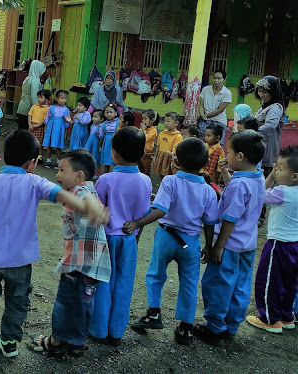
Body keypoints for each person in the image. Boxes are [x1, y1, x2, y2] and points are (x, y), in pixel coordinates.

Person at [0, 130, 109, 361]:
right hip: (22, 261)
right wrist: (88, 207)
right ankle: (9, 343)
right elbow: (62, 195)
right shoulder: (34, 182)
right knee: (17, 302)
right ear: (33, 163)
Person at [124, 138, 218, 345]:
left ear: (177, 161)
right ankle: (185, 327)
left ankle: (154, 313)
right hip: (191, 241)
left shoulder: (171, 181)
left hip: (167, 236)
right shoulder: (209, 191)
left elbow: (161, 210)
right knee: (189, 284)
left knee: (156, 275)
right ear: (205, 162)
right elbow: (210, 223)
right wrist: (209, 246)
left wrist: (138, 222)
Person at [32, 149, 111, 358]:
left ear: (79, 177)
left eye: (62, 170)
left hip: (78, 263)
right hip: (92, 264)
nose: (57, 175)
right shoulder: (86, 189)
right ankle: (77, 343)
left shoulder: (80, 191)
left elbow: (86, 201)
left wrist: (94, 207)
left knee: (65, 302)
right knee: (84, 304)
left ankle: (55, 341)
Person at [193, 130, 266, 347]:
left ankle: (215, 327)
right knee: (240, 286)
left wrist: (218, 246)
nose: (227, 155)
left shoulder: (239, 184)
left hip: (229, 245)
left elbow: (230, 218)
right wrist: (226, 172)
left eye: (230, 152)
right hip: (247, 244)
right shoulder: (258, 176)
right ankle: (231, 326)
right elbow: (236, 194)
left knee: (218, 285)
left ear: (241, 156)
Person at [90, 127, 152, 347]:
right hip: (128, 239)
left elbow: (97, 212)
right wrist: (135, 235)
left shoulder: (105, 179)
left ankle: (98, 330)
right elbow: (143, 215)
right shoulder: (145, 181)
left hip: (106, 238)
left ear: (113, 152)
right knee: (124, 284)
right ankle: (116, 332)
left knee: (103, 283)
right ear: (142, 152)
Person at [246, 145, 298, 333]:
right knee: (289, 282)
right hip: (295, 245)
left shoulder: (282, 192)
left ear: (295, 176)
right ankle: (286, 316)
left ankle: (269, 318)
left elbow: (260, 194)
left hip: (278, 244)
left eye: (280, 169)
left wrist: (268, 176)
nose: (276, 172)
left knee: (268, 281)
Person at [254, 76, 285, 226]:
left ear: (273, 92)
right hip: (259, 147)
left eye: (264, 92)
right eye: (259, 91)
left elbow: (270, 125)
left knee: (264, 183)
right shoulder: (264, 106)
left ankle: (260, 216)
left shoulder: (275, 107)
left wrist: (251, 132)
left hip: (267, 149)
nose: (261, 94)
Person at [198, 69, 231, 143]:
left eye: (219, 78)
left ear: (224, 80)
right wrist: (202, 115)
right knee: (200, 142)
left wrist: (203, 116)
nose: (216, 80)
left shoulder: (227, 93)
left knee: (219, 143)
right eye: (215, 78)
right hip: (205, 120)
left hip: (219, 120)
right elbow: (201, 105)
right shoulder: (205, 89)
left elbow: (219, 110)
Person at [43, 90, 71, 169]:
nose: (63, 100)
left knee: (58, 146)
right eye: (61, 98)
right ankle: (48, 160)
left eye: (65, 99)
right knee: (49, 145)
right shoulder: (51, 108)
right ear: (56, 98)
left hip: (60, 129)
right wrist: (46, 126)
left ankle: (58, 162)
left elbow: (66, 123)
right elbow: (47, 117)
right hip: (51, 128)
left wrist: (65, 133)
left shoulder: (66, 110)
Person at [17, 60, 46, 130]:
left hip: (21, 108)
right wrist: (37, 110)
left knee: (21, 132)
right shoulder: (35, 81)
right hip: (28, 110)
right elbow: (34, 97)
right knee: (26, 134)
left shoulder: (28, 79)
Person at [152, 112, 183, 180]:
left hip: (169, 158)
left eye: (168, 121)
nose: (166, 123)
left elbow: (176, 148)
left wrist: (171, 154)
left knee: (168, 176)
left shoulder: (177, 136)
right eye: (165, 121)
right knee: (160, 175)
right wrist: (155, 157)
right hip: (160, 156)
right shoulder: (162, 133)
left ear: (176, 123)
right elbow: (158, 146)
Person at [27, 89, 51, 154]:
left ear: (46, 99)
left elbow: (44, 119)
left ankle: (39, 155)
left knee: (39, 142)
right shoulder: (34, 106)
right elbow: (30, 115)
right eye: (38, 97)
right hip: (32, 125)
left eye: (41, 97)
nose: (39, 99)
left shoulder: (47, 109)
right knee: (30, 140)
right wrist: (30, 124)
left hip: (40, 127)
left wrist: (38, 125)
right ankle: (31, 153)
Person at [99, 103, 120, 174]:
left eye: (111, 112)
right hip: (107, 143)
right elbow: (101, 135)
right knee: (106, 159)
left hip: (116, 142)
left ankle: (116, 173)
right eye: (107, 112)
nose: (109, 114)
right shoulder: (104, 124)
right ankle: (106, 173)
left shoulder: (118, 122)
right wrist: (100, 146)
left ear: (116, 113)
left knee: (116, 158)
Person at [139, 109, 158, 175]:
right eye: (142, 119)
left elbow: (145, 138)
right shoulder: (143, 128)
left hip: (148, 152)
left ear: (152, 120)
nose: (143, 121)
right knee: (139, 169)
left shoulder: (154, 130)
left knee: (146, 170)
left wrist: (143, 130)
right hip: (140, 150)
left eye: (145, 119)